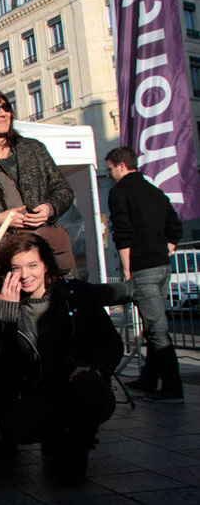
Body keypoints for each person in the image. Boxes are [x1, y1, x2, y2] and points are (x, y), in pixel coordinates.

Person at [0, 232, 123, 484]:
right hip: (37, 396)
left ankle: (78, 448)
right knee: (25, 424)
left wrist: (94, 367)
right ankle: (54, 440)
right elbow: (5, 369)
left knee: (89, 389)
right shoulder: (6, 303)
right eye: (16, 268)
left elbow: (111, 343)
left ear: (46, 265)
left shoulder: (76, 295)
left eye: (32, 265)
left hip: (77, 387)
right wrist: (6, 319)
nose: (25, 275)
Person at [0, 88, 74, 272]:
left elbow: (64, 190)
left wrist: (49, 208)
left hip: (44, 254)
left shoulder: (33, 149)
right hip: (0, 262)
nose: (3, 113)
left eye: (6, 107)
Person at [106, 146, 184, 402]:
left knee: (157, 329)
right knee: (154, 326)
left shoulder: (119, 193)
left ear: (120, 166)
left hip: (142, 268)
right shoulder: (155, 191)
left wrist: (127, 268)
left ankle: (173, 388)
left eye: (109, 169)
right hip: (162, 266)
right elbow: (175, 227)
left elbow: (122, 231)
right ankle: (150, 379)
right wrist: (165, 250)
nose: (109, 175)